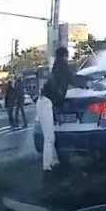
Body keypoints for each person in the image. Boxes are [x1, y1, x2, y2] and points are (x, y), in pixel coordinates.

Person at [36, 46, 88, 177]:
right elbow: (73, 80)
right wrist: (86, 84)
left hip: (44, 102)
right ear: (64, 56)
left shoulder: (56, 67)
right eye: (67, 56)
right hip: (46, 103)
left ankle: (54, 161)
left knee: (50, 134)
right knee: (49, 137)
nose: (67, 58)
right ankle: (47, 166)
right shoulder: (62, 68)